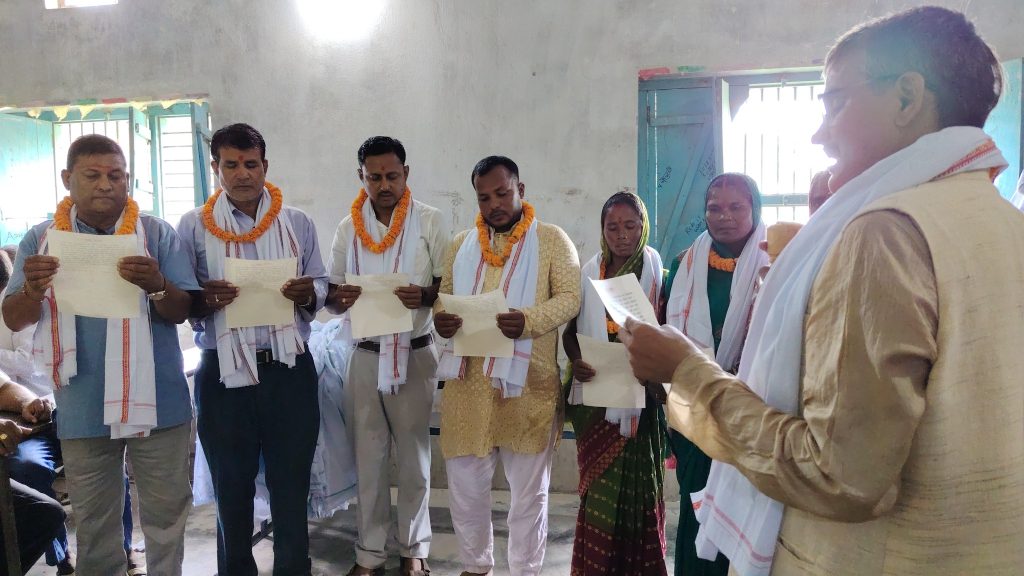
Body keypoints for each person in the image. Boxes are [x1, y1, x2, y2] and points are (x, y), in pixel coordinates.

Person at [620, 6, 1024, 575]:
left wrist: (686, 372)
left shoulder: (886, 233)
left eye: (834, 103)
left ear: (907, 98)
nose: (818, 132)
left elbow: (840, 473)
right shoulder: (1004, 222)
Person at [2, 134, 198, 576]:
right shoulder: (43, 238)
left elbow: (182, 311)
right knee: (94, 523)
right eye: (92, 175)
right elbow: (14, 319)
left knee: (167, 516)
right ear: (67, 179)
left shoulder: (156, 234)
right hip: (83, 403)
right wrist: (32, 289)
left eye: (116, 175)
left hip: (158, 402)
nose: (106, 185)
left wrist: (157, 285)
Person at [178, 123, 327, 576]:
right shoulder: (193, 225)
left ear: (265, 165)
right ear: (215, 168)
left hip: (288, 370)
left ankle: (292, 569)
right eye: (231, 164)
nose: (242, 173)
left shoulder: (296, 222)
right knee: (232, 487)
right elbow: (183, 300)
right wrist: (205, 299)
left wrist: (307, 292)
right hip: (223, 374)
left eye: (251, 164)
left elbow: (321, 283)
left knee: (291, 484)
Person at [434, 156, 580, 576]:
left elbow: (570, 298)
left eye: (502, 193)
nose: (494, 204)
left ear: (521, 189)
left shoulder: (552, 240)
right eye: (484, 197)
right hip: (469, 387)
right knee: (466, 489)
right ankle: (475, 566)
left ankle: (525, 570)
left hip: (528, 387)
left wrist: (528, 321)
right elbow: (444, 297)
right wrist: (441, 319)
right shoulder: (462, 244)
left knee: (529, 496)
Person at [327, 136, 448, 576]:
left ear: (406, 174)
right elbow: (331, 295)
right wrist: (340, 299)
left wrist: (424, 296)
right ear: (360, 177)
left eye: (392, 176)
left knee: (415, 459)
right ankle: (369, 554)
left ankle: (414, 550)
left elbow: (448, 287)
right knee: (369, 460)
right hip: (364, 355)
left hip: (414, 354)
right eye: (374, 177)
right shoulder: (348, 228)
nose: (383, 185)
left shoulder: (430, 221)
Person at [663, 173, 766, 576]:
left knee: (744, 512)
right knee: (697, 505)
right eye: (714, 208)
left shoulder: (775, 261)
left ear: (754, 209)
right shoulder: (684, 263)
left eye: (736, 207)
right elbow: (668, 331)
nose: (724, 216)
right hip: (695, 404)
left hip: (751, 406)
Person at [562, 191, 667, 575]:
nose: (622, 235)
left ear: (643, 227)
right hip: (598, 406)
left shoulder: (658, 277)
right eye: (613, 227)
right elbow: (570, 334)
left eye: (630, 226)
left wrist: (653, 373)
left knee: (640, 494)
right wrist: (577, 361)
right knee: (600, 495)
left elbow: (670, 335)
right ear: (602, 230)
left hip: (643, 403)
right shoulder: (590, 273)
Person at [0, 376, 65, 576]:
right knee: (28, 469)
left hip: (33, 430)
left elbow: (4, 388)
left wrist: (26, 402)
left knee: (45, 513)